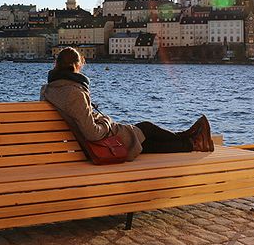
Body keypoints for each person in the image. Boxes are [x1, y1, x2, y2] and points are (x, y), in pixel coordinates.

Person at [40, 47, 214, 162]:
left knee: (146, 137)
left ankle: (190, 138)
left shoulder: (48, 89)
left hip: (75, 146)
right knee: (147, 132)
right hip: (95, 146)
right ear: (78, 66)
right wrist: (106, 121)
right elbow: (92, 133)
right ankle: (192, 142)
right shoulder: (75, 92)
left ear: (56, 65)